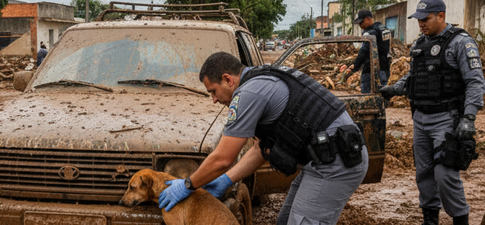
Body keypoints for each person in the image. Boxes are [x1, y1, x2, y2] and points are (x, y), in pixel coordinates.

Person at [158, 51, 369, 224]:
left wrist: (187, 185)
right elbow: (262, 148)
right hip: (325, 158)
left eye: (213, 91)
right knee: (285, 220)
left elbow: (223, 158)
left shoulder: (249, 93)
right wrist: (226, 180)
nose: (213, 100)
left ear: (228, 79)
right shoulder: (261, 78)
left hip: (335, 163)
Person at [380, 0, 485, 225]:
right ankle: (430, 219)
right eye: (418, 19)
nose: (421, 23)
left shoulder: (461, 42)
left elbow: (475, 82)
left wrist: (469, 117)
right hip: (420, 118)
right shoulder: (420, 43)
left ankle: (460, 219)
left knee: (445, 173)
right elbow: (414, 77)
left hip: (446, 118)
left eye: (425, 19)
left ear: (441, 16)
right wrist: (393, 89)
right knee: (424, 173)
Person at [340, 9, 391, 93]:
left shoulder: (369, 33)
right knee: (382, 93)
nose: (360, 25)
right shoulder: (384, 29)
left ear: (368, 19)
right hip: (384, 69)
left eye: (361, 22)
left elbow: (363, 51)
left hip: (370, 70)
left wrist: (355, 66)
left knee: (367, 96)